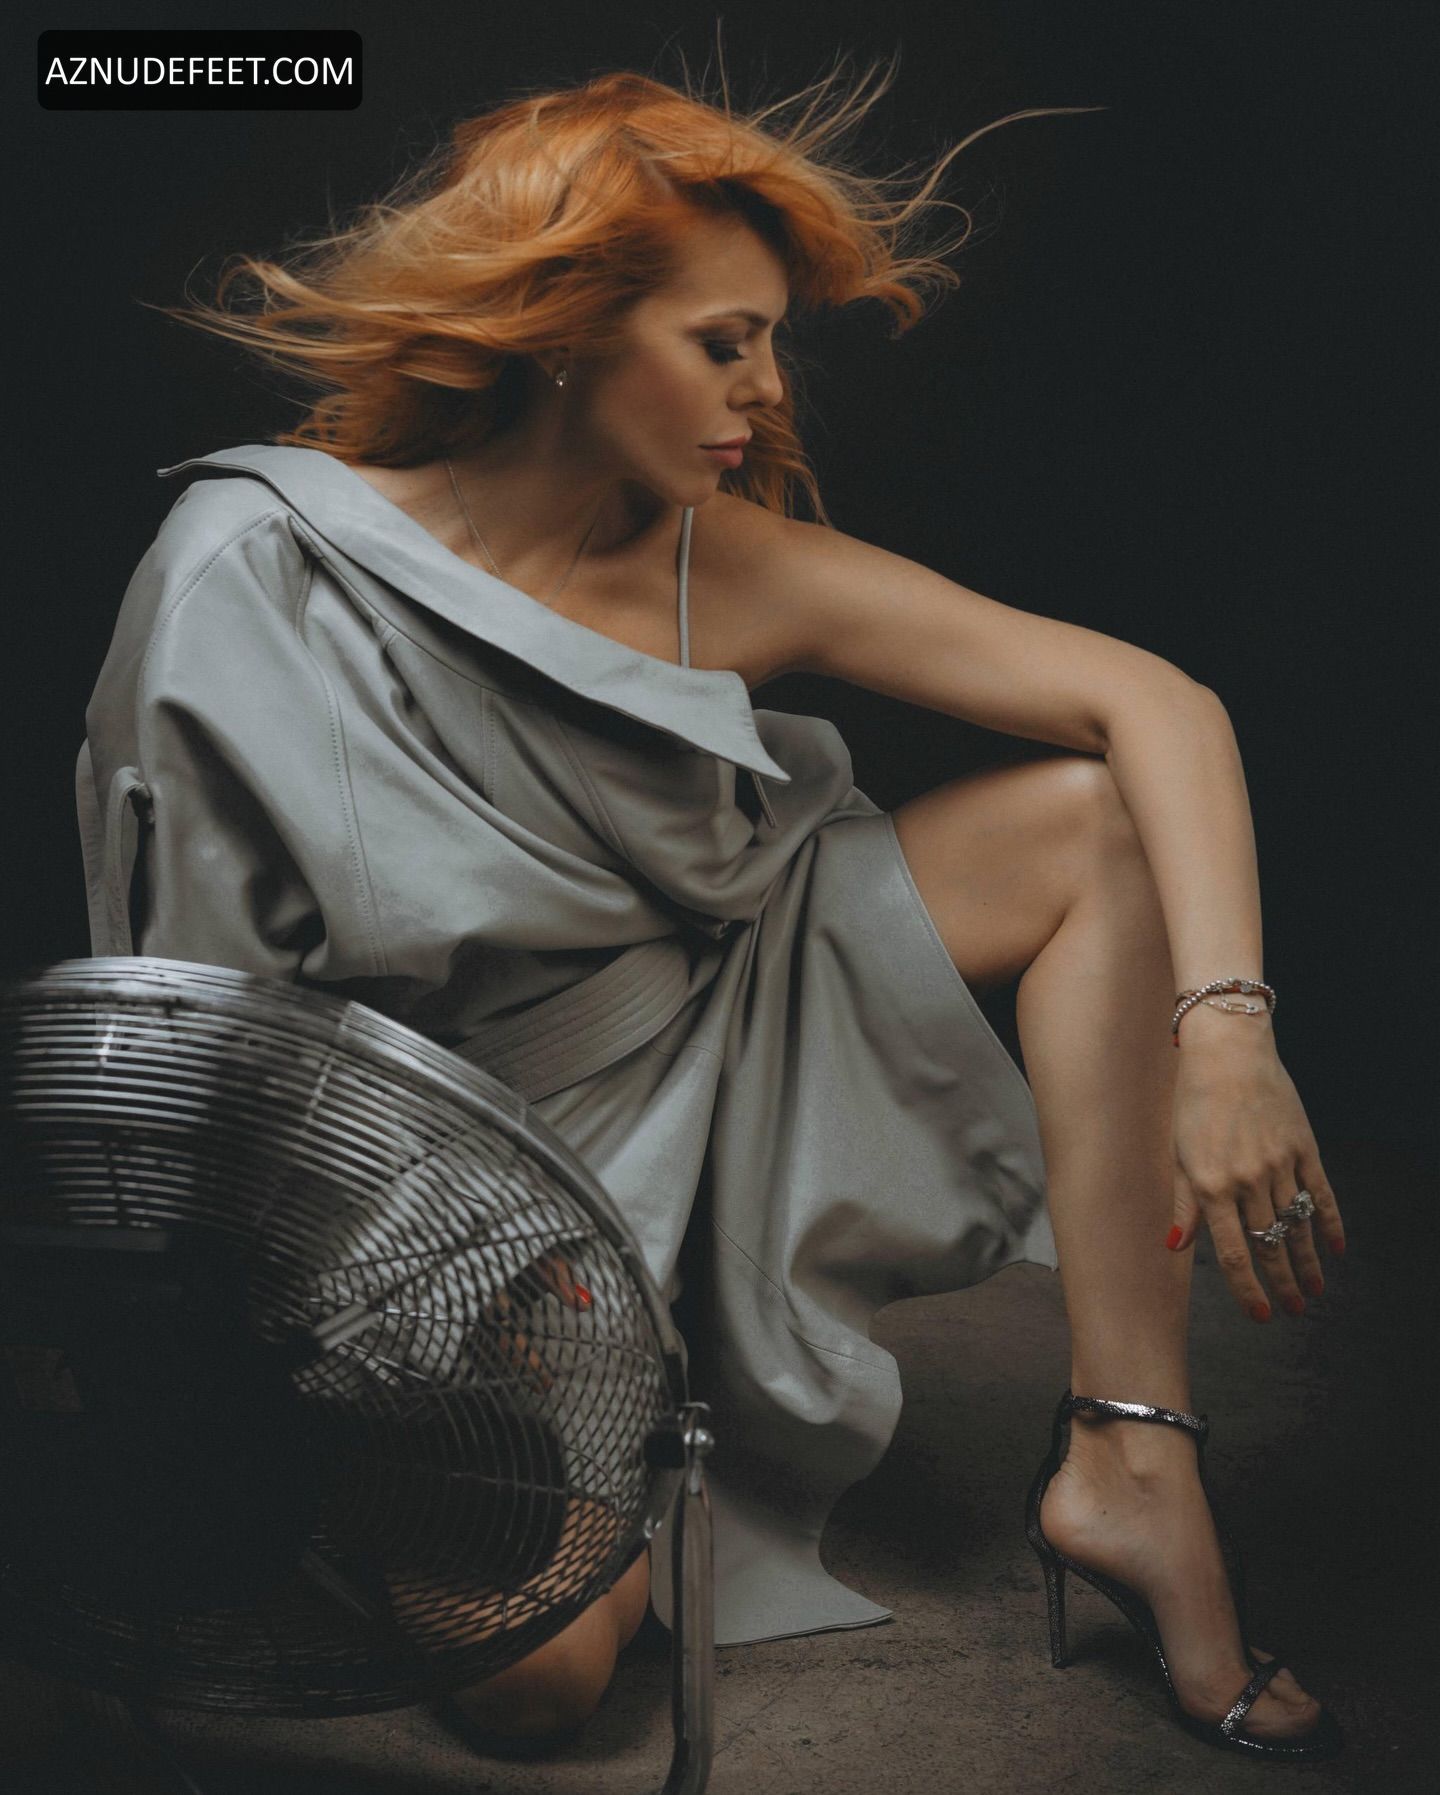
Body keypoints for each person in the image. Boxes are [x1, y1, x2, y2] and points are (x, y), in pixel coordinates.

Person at [78, 56, 1343, 1762]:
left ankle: (1134, 1460)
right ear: (563, 333)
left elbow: (1155, 703)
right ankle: (425, 1457)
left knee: (1095, 825)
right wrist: (367, 1316)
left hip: (725, 1038)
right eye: (722, 341)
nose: (764, 390)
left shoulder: (719, 561)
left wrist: (1229, 1036)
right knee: (536, 1691)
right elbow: (188, 1034)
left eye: (770, 343)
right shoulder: (254, 571)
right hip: (420, 1181)